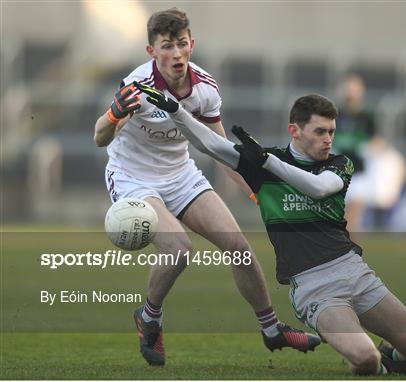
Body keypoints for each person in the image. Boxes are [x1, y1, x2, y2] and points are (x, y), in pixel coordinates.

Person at [134, 83, 406, 375]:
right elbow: (210, 143)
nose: (328, 139)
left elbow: (317, 188)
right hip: (315, 288)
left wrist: (267, 162)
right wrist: (176, 111)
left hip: (356, 274)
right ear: (295, 130)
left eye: (331, 131)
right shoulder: (261, 165)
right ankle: (368, 356)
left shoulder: (338, 164)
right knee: (366, 359)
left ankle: (388, 354)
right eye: (319, 131)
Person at [93, 8, 320, 366]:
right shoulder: (136, 87)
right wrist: (111, 115)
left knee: (239, 248)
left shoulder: (205, 90)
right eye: (167, 46)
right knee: (179, 247)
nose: (177, 54)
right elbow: (100, 138)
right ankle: (149, 318)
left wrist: (258, 193)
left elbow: (220, 151)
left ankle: (271, 329)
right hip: (133, 177)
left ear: (192, 44)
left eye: (182, 44)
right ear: (152, 51)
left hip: (181, 174)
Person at [334, 74, 406, 232]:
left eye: (354, 90)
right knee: (340, 217)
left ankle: (351, 253)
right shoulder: (335, 116)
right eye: (348, 90)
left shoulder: (366, 118)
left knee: (353, 218)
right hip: (337, 173)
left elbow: (377, 142)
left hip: (358, 173)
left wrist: (365, 147)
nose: (351, 94)